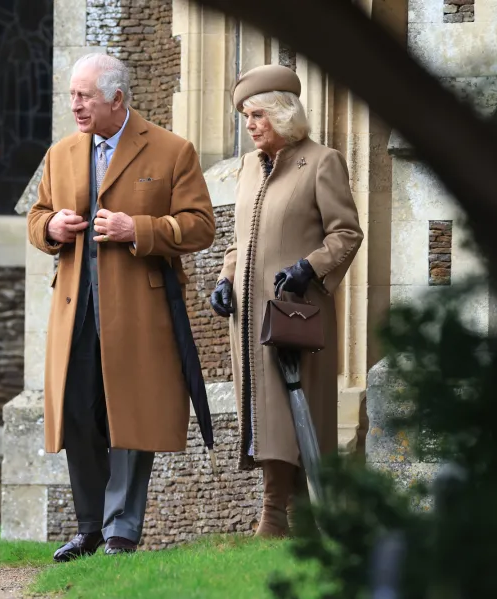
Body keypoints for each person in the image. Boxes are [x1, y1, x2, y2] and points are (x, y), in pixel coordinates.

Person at [27, 54, 215, 560]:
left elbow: (200, 225)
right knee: (79, 412)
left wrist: (142, 230)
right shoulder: (61, 152)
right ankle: (90, 526)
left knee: (129, 416)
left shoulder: (173, 151)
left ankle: (121, 531)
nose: (75, 105)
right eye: (72, 95)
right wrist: (50, 228)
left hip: (139, 313)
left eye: (84, 96)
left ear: (117, 98)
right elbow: (37, 214)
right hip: (75, 309)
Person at [209, 64, 364, 537]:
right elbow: (240, 240)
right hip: (250, 313)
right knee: (263, 411)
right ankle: (292, 514)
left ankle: (277, 514)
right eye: (244, 117)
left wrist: (308, 268)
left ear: (282, 113)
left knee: (293, 410)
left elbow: (347, 233)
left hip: (297, 312)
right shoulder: (248, 171)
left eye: (256, 115)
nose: (250, 125)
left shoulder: (321, 161)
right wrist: (224, 278)